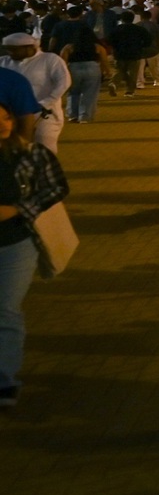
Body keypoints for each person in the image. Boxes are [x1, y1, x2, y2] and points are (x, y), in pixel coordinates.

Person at [0, 92, 69, 409]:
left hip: (17, 242)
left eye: (5, 117)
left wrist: (19, 210)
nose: (2, 124)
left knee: (5, 309)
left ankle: (6, 381)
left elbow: (57, 187)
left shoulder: (31, 154)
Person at [1, 33, 68, 152]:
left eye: (15, 50)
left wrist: (46, 102)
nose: (10, 53)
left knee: (45, 146)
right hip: (12, 116)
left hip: (45, 113)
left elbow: (64, 82)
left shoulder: (50, 59)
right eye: (8, 50)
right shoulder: (3, 62)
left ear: (30, 47)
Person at [58, 14, 104, 124]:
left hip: (73, 68)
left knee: (73, 92)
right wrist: (106, 72)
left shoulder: (69, 47)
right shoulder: (97, 47)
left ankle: (72, 115)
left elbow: (62, 61)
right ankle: (84, 116)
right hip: (92, 68)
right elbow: (104, 61)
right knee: (90, 93)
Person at [109, 11, 151, 97]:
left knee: (119, 71)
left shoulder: (116, 29)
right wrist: (141, 46)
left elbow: (109, 41)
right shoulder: (139, 29)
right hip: (134, 53)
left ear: (122, 19)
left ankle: (113, 83)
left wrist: (115, 48)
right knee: (132, 73)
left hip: (119, 53)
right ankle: (129, 91)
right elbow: (148, 40)